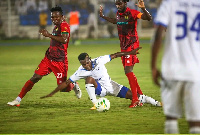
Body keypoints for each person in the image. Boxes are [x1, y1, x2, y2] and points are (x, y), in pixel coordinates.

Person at [7, 6, 82, 107]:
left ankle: (73, 85)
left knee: (63, 88)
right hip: (48, 59)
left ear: (61, 17)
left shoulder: (64, 26)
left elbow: (64, 39)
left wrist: (49, 35)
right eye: (52, 18)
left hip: (60, 62)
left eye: (57, 17)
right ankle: (18, 99)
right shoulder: (57, 26)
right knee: (35, 77)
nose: (54, 19)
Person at [40, 47, 162, 109]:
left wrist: (131, 52)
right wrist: (52, 93)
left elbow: (115, 55)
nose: (86, 66)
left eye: (87, 62)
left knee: (135, 96)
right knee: (88, 79)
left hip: (112, 86)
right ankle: (95, 103)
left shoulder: (99, 60)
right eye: (83, 64)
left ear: (90, 59)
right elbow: (66, 82)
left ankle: (156, 103)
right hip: (100, 90)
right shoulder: (81, 71)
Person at [151, 0, 200, 134]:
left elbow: (158, 33)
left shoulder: (169, 3)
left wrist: (153, 66)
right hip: (195, 70)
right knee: (196, 121)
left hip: (172, 68)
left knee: (171, 118)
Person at [99, 0, 152, 108]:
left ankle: (135, 99)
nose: (118, 6)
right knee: (128, 72)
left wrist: (143, 8)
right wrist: (103, 16)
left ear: (125, 3)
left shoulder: (133, 13)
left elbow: (148, 18)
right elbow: (116, 21)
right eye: (116, 4)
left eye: (120, 4)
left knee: (128, 70)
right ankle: (140, 96)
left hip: (132, 45)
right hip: (123, 46)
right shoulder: (118, 14)